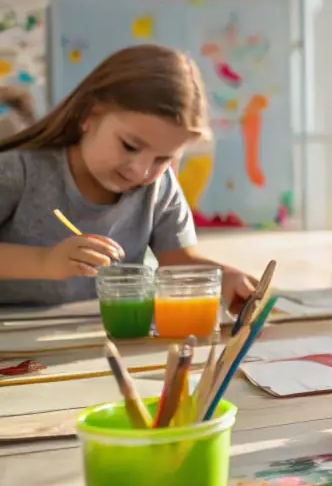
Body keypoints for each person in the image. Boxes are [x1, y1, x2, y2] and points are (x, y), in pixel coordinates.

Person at [0, 45, 256, 308]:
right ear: (89, 115)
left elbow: (178, 261)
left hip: (98, 336)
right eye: (130, 146)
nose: (142, 171)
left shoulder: (160, 187)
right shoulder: (17, 170)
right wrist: (45, 262)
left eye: (163, 158)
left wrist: (225, 278)